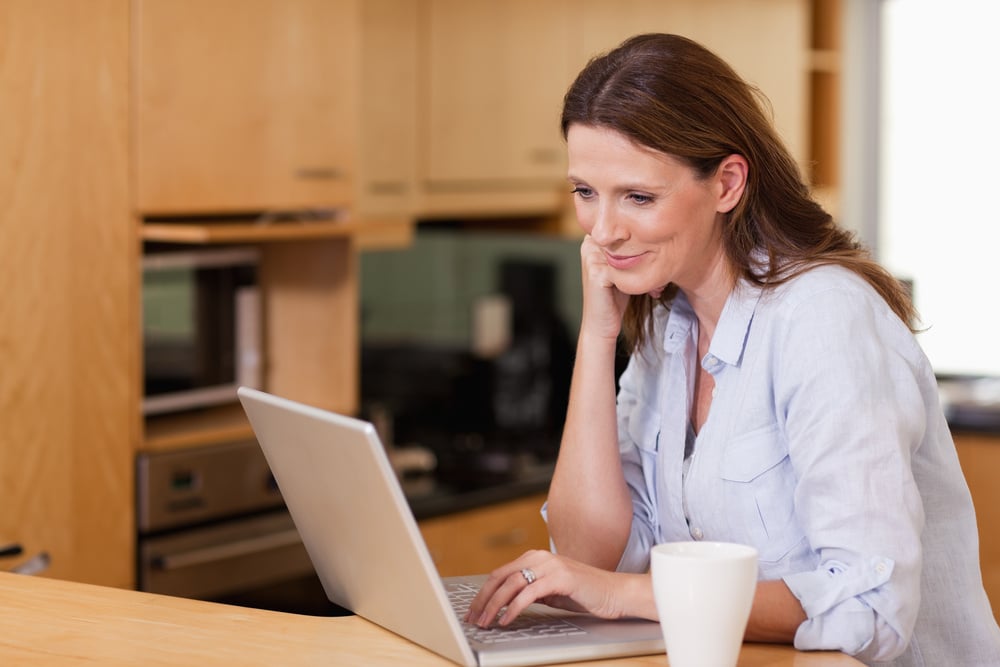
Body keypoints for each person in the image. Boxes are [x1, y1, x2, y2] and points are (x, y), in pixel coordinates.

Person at [463, 33, 1000, 666]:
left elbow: (869, 609)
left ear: (727, 184)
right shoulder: (670, 324)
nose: (603, 231)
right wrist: (596, 334)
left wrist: (626, 594)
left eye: (638, 196)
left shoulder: (822, 318)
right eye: (585, 192)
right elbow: (588, 556)